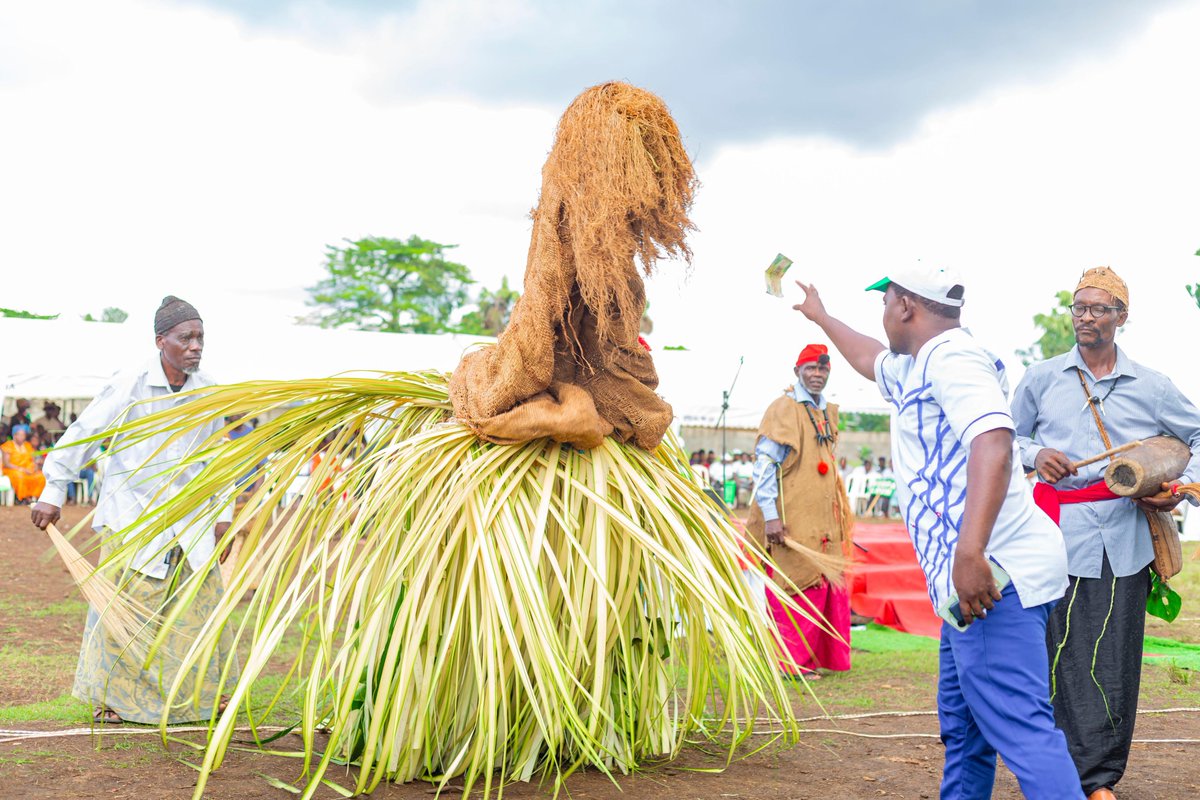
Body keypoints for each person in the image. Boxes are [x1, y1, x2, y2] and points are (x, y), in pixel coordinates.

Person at [793, 266, 1082, 799]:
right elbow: (865, 358)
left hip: (993, 579)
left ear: (905, 305)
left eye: (885, 304)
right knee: (966, 733)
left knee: (1021, 731)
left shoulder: (953, 359)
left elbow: (993, 444)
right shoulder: (916, 365)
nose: (881, 317)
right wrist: (821, 315)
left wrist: (970, 553)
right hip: (967, 591)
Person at [1011, 266, 1200, 800]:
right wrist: (1036, 454)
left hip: (1123, 540)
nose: (1086, 317)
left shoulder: (1153, 386)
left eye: (1098, 309)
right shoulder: (1041, 378)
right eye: (1079, 308)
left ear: (1121, 317)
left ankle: (1097, 780)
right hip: (1050, 537)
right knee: (1052, 654)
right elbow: (1005, 436)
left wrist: (1181, 484)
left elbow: (1196, 432)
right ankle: (1051, 770)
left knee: (1112, 660)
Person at [30, 296, 237, 726]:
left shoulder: (208, 390)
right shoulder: (131, 383)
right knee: (124, 611)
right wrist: (54, 489)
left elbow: (220, 457)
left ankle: (199, 695)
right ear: (161, 341)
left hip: (192, 520)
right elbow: (83, 432)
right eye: (186, 338)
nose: (196, 346)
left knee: (195, 609)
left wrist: (224, 515)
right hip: (135, 516)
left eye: (200, 337)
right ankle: (113, 698)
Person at [746, 343, 853, 677]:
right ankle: (789, 662)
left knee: (822, 581)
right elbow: (764, 466)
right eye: (811, 369)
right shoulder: (784, 409)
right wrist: (772, 516)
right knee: (794, 581)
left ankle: (814, 658)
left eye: (823, 369)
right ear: (797, 372)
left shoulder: (823, 411)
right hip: (789, 517)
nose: (817, 375)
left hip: (821, 519)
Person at [1, 425, 46, 503]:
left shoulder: (27, 445)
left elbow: (33, 460)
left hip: (28, 469)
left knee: (41, 476)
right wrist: (21, 469)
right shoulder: (8, 445)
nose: (23, 437)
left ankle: (34, 497)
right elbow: (6, 463)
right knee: (20, 476)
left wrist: (35, 466)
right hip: (12, 470)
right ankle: (22, 498)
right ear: (14, 435)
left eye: (24, 435)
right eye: (20, 435)